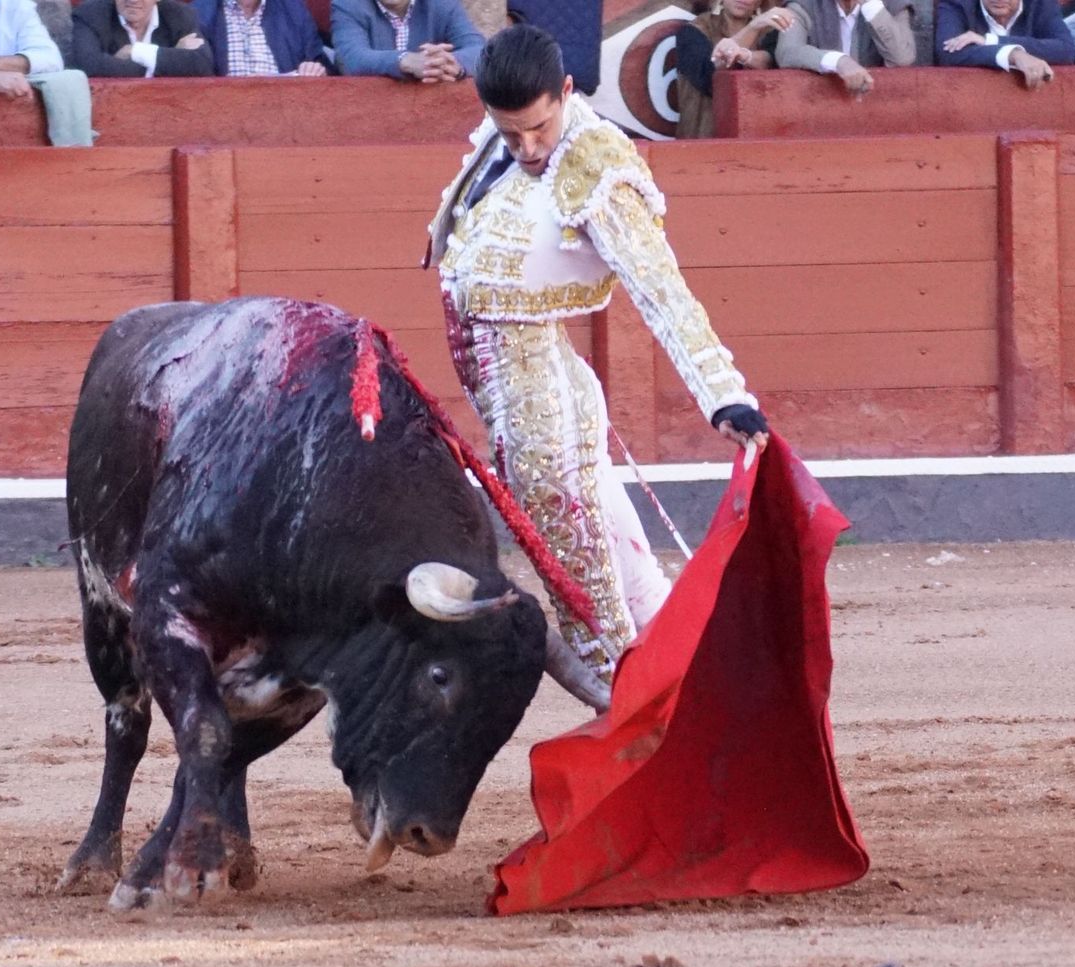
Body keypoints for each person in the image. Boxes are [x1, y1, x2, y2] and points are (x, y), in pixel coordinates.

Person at [424, 24, 769, 684]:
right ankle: (711, 693)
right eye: (511, 134)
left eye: (539, 129)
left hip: (543, 414)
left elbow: (661, 289)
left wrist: (724, 395)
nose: (528, 148)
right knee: (631, 579)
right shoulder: (506, 137)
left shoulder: (598, 168)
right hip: (532, 398)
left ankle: (650, 722)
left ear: (567, 91)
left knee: (593, 615)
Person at [673, 1, 794, 139]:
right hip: (704, 139)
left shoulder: (768, 32)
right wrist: (753, 27)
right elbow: (710, 76)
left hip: (758, 139)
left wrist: (746, 56)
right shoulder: (694, 30)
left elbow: (772, 61)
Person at [775, 0, 915, 97]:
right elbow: (787, 51)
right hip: (818, 107)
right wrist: (839, 61)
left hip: (877, 108)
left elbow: (902, 58)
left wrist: (871, 6)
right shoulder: (804, 4)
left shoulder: (892, 4)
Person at [935, 0, 1075, 89]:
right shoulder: (957, 4)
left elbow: (1066, 49)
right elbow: (948, 52)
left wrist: (990, 40)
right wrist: (1013, 54)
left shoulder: (1041, 4)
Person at [330, 0, 483, 81]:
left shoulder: (442, 3)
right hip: (370, 108)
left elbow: (480, 49)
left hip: (432, 106)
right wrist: (403, 60)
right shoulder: (348, 4)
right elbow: (352, 58)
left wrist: (450, 64)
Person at [70, 0, 214, 78]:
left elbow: (203, 65)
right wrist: (169, 60)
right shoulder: (90, 14)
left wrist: (135, 51)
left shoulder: (180, 15)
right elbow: (88, 67)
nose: (132, 0)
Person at [190, 0, 330, 76]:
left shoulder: (294, 11)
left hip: (286, 110)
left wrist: (315, 69)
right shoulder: (199, 14)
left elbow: (318, 61)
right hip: (223, 109)